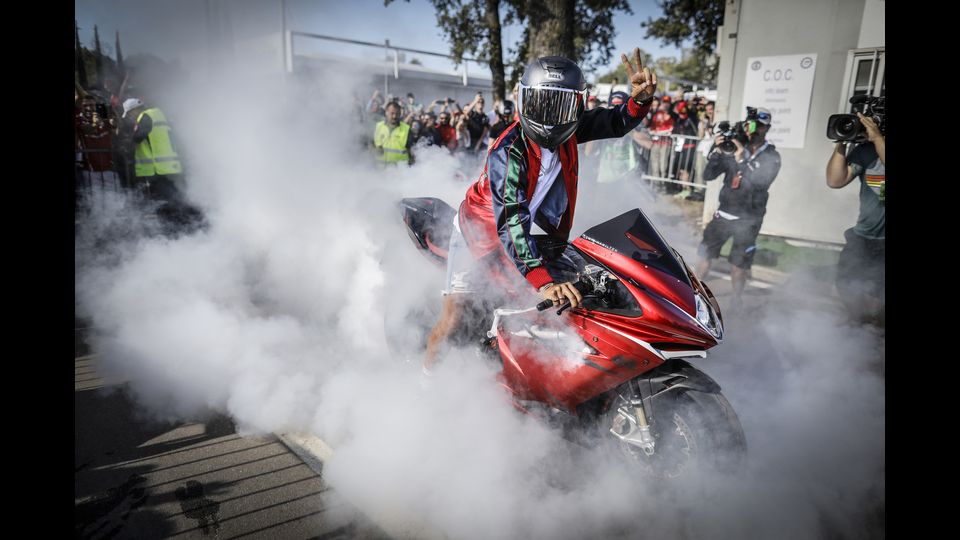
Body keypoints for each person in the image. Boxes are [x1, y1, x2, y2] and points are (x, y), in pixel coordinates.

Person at [422, 50, 657, 376]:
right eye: (540, 104)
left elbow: (614, 122)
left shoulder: (572, 130)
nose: (547, 116)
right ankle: (426, 381)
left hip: (532, 234)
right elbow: (511, 221)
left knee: (579, 296)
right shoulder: (510, 149)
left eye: (558, 105)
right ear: (524, 101)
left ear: (576, 106)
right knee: (453, 320)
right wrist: (544, 282)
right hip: (481, 235)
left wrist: (639, 102)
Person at [695, 106, 781, 312]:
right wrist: (716, 152)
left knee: (739, 263)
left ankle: (736, 299)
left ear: (767, 128)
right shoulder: (733, 147)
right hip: (724, 213)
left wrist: (742, 160)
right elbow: (708, 175)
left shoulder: (771, 155)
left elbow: (762, 182)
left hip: (749, 219)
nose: (754, 130)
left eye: (760, 126)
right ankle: (695, 293)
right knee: (705, 252)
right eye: (751, 125)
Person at [825, 112, 885, 325]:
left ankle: (876, 333)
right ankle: (856, 325)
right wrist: (842, 143)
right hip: (863, 236)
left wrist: (878, 138)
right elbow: (835, 180)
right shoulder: (865, 152)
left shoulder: (877, 143)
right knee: (845, 282)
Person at [123, 97, 185, 204]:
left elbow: (139, 135)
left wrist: (127, 146)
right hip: (169, 164)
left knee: (163, 198)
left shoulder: (145, 116)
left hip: (158, 167)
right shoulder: (158, 113)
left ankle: (173, 217)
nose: (130, 117)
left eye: (129, 114)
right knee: (175, 195)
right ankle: (186, 216)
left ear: (135, 109)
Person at [373, 101, 414, 166]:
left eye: (397, 114)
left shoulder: (406, 130)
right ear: (386, 112)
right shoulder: (378, 127)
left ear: (400, 114)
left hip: (400, 172)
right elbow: (370, 146)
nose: (394, 116)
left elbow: (412, 153)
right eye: (392, 113)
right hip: (380, 172)